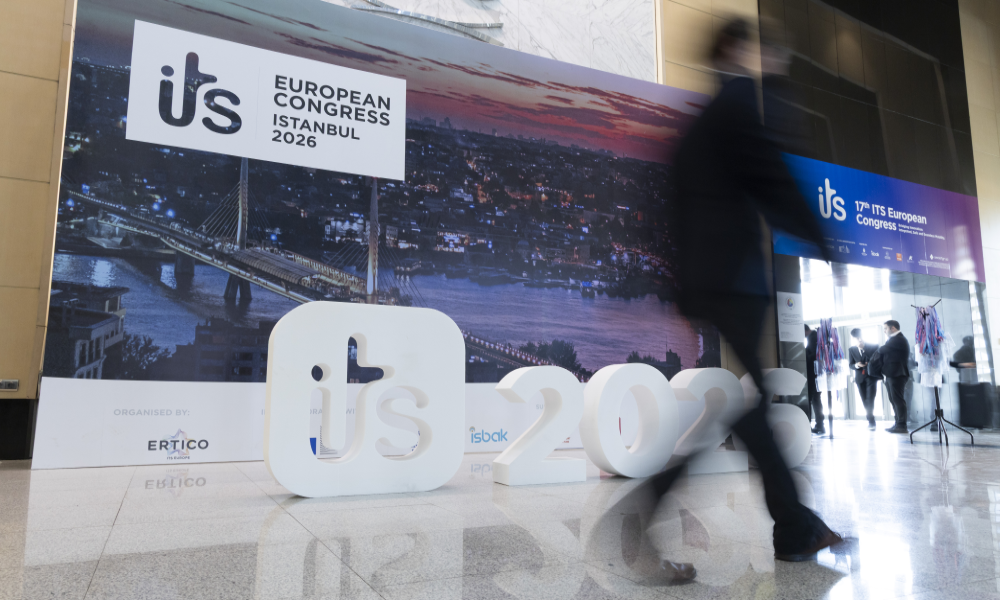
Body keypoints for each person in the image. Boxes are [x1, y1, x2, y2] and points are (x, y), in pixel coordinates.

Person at [608, 19, 842, 581]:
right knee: (749, 409)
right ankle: (651, 509)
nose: (771, 59)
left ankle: (794, 528)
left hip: (712, 281)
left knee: (752, 407)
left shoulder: (701, 121)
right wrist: (823, 240)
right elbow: (773, 173)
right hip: (735, 280)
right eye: (763, 50)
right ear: (741, 51)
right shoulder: (736, 105)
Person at [877, 320, 910, 433]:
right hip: (892, 374)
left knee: (897, 400)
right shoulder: (894, 340)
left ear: (893, 328)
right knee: (893, 399)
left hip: (898, 374)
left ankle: (902, 425)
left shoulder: (898, 339)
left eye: (885, 329)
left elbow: (881, 350)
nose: (884, 331)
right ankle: (898, 423)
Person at [849, 328, 879, 429]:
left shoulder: (873, 346)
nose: (858, 339)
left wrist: (864, 349)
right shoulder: (852, 349)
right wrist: (857, 365)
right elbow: (850, 365)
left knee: (870, 399)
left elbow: (876, 359)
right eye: (855, 338)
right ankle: (870, 419)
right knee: (864, 399)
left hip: (871, 376)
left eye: (859, 337)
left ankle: (871, 421)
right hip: (859, 378)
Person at [805, 324, 824, 433]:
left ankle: (816, 425)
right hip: (817, 374)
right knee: (816, 399)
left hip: (812, 373)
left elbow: (812, 355)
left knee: (813, 399)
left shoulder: (813, 337)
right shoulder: (816, 336)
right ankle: (820, 425)